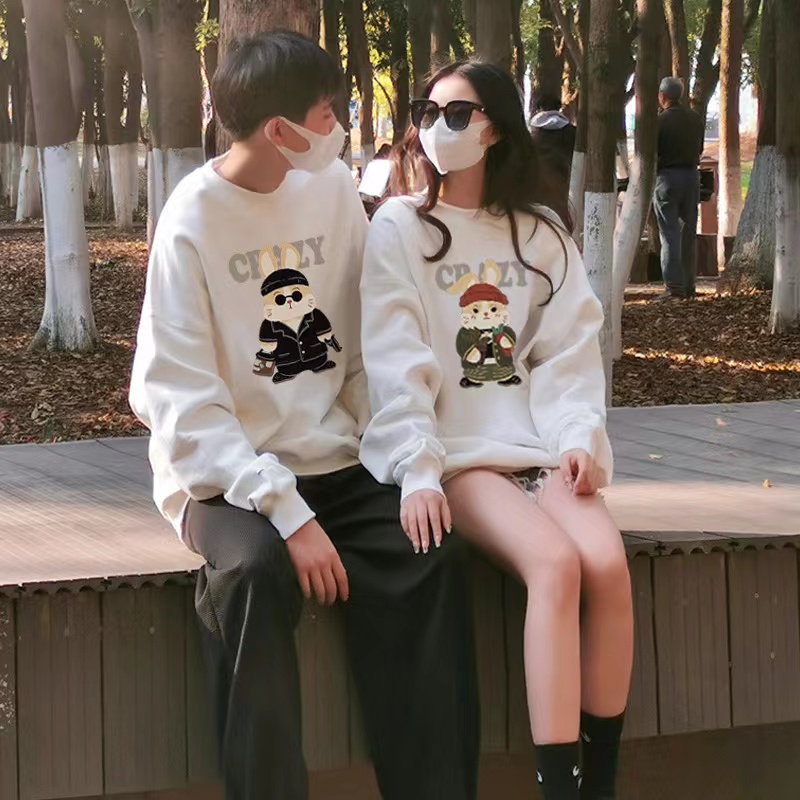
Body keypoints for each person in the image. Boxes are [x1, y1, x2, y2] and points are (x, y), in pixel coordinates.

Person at [129, 31, 479, 800]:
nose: (339, 125)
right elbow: (184, 402)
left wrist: (409, 461)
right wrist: (287, 513)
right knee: (253, 574)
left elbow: (367, 348)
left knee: (426, 552)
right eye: (326, 112)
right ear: (280, 132)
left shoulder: (332, 193)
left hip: (335, 458)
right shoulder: (190, 222)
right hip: (224, 479)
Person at [360, 60, 634, 800]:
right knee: (556, 565)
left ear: (495, 130)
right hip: (461, 456)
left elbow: (567, 353)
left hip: (541, 449)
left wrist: (577, 438)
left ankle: (600, 785)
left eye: (456, 114)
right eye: (426, 112)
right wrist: (419, 466)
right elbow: (395, 359)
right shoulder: (399, 227)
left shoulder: (539, 233)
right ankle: (557, 787)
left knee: (607, 566)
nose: (435, 128)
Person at [653, 76, 705, 300]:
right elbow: (700, 148)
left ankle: (674, 288)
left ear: (662, 96)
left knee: (669, 233)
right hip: (691, 177)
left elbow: (652, 152)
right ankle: (689, 286)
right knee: (689, 233)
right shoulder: (695, 119)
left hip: (667, 178)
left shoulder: (659, 121)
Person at [530, 93, 576, 211]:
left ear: (539, 108)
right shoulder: (572, 131)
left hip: (538, 182)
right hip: (564, 181)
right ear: (558, 107)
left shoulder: (533, 133)